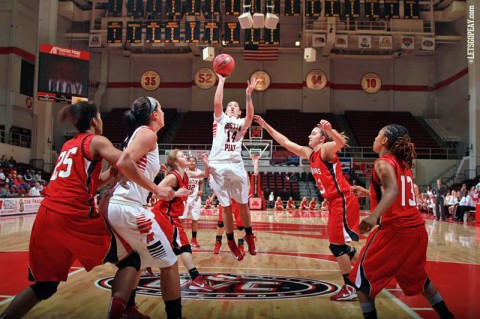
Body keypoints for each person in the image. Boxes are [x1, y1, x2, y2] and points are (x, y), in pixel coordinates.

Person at [0, 101, 169, 319]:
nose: (102, 121)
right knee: (131, 261)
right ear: (94, 121)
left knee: (45, 286)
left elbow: (92, 181)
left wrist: (110, 176)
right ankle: (121, 312)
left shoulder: (68, 144)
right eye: (100, 117)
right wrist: (155, 187)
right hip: (72, 214)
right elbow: (126, 162)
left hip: (46, 214)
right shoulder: (97, 140)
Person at [350, 124, 454, 319]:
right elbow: (400, 194)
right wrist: (368, 192)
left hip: (395, 232)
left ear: (384, 141)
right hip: (416, 231)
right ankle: (447, 316)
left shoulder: (382, 163)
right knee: (420, 281)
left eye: (377, 135)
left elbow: (393, 191)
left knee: (362, 284)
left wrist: (373, 217)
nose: (373, 138)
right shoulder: (403, 164)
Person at [254, 115, 360, 301]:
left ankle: (350, 288)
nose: (309, 137)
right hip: (335, 202)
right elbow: (285, 142)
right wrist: (266, 126)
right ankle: (364, 266)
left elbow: (341, 142)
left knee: (337, 246)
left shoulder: (326, 149)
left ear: (321, 139)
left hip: (343, 200)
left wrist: (329, 130)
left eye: (313, 134)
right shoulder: (310, 154)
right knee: (341, 247)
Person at [104, 97, 182, 319]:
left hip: (117, 206)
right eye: (161, 108)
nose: (165, 112)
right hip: (129, 208)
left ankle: (126, 310)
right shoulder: (148, 133)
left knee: (134, 262)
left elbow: (122, 169)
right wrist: (156, 189)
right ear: (154, 114)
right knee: (170, 263)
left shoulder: (134, 135)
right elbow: (123, 163)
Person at [208, 73, 258, 261]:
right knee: (225, 207)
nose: (232, 107)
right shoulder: (219, 119)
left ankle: (250, 237)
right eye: (230, 105)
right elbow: (217, 103)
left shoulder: (241, 123)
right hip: (217, 164)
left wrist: (248, 95)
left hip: (235, 164)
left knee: (243, 204)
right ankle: (230, 242)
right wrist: (221, 80)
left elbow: (251, 115)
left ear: (239, 113)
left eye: (236, 106)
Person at [152, 149, 215, 292]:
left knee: (172, 248)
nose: (186, 156)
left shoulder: (187, 174)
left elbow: (205, 174)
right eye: (182, 155)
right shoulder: (172, 177)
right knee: (184, 245)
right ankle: (196, 279)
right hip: (163, 215)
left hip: (170, 215)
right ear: (175, 162)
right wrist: (175, 193)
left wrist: (205, 162)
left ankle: (144, 263)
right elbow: (154, 193)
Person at [180, 155, 206, 248]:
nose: (191, 162)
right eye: (190, 160)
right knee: (182, 219)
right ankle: (181, 239)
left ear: (196, 163)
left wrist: (201, 190)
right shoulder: (184, 171)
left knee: (195, 219)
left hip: (195, 198)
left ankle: (194, 239)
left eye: (193, 161)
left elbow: (201, 182)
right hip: (184, 198)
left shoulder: (199, 172)